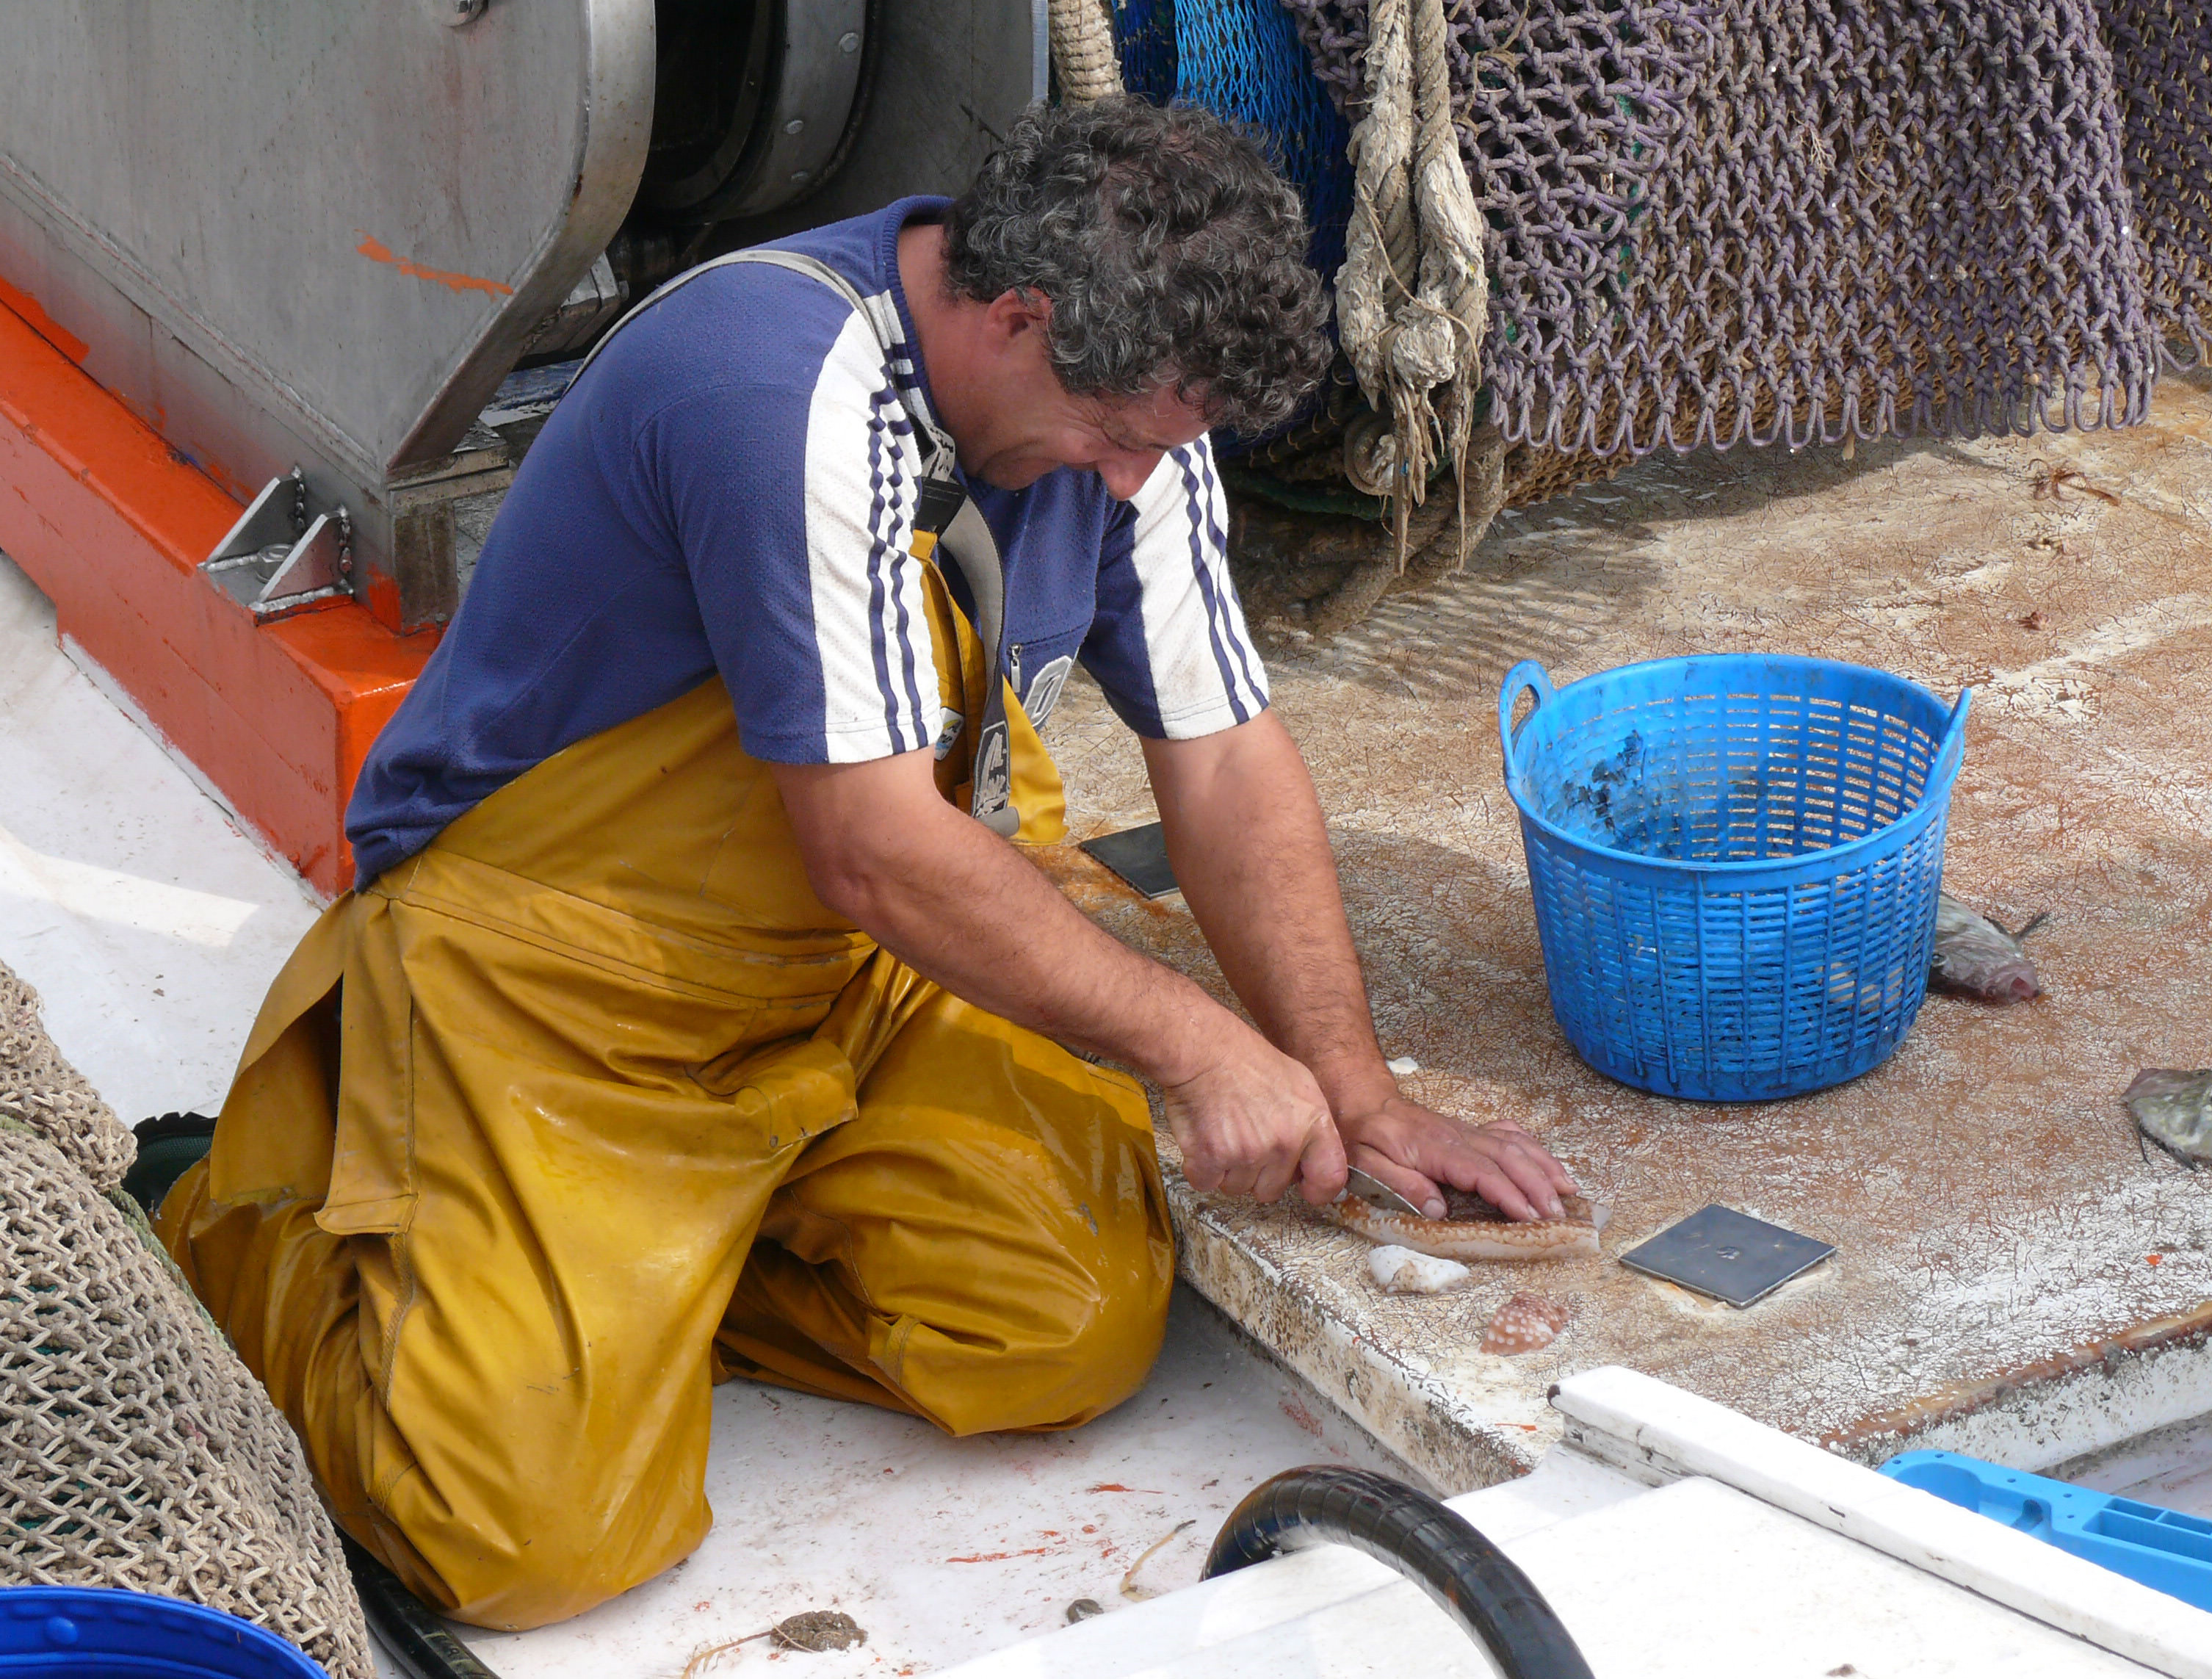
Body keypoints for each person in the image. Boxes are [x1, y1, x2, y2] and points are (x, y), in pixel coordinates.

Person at [158, 97, 1576, 1631]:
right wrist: (1199, 1045)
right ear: (1019, 319)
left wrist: (1355, 1087)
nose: (1123, 486)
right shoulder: (776, 382)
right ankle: (246, 1231)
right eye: (1112, 441)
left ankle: (647, 1284)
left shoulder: (1133, 422)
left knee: (1073, 1321)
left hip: (851, 975)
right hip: (557, 973)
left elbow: (1225, 754)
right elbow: (877, 849)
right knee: (518, 1539)